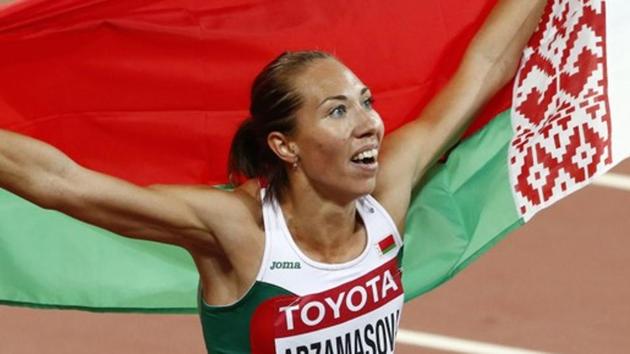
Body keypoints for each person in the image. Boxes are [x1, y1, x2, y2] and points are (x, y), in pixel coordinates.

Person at [0, 0, 546, 353]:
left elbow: (486, 67)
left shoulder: (388, 197)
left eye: (366, 102)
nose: (369, 125)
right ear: (285, 145)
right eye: (337, 111)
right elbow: (64, 183)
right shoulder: (239, 232)